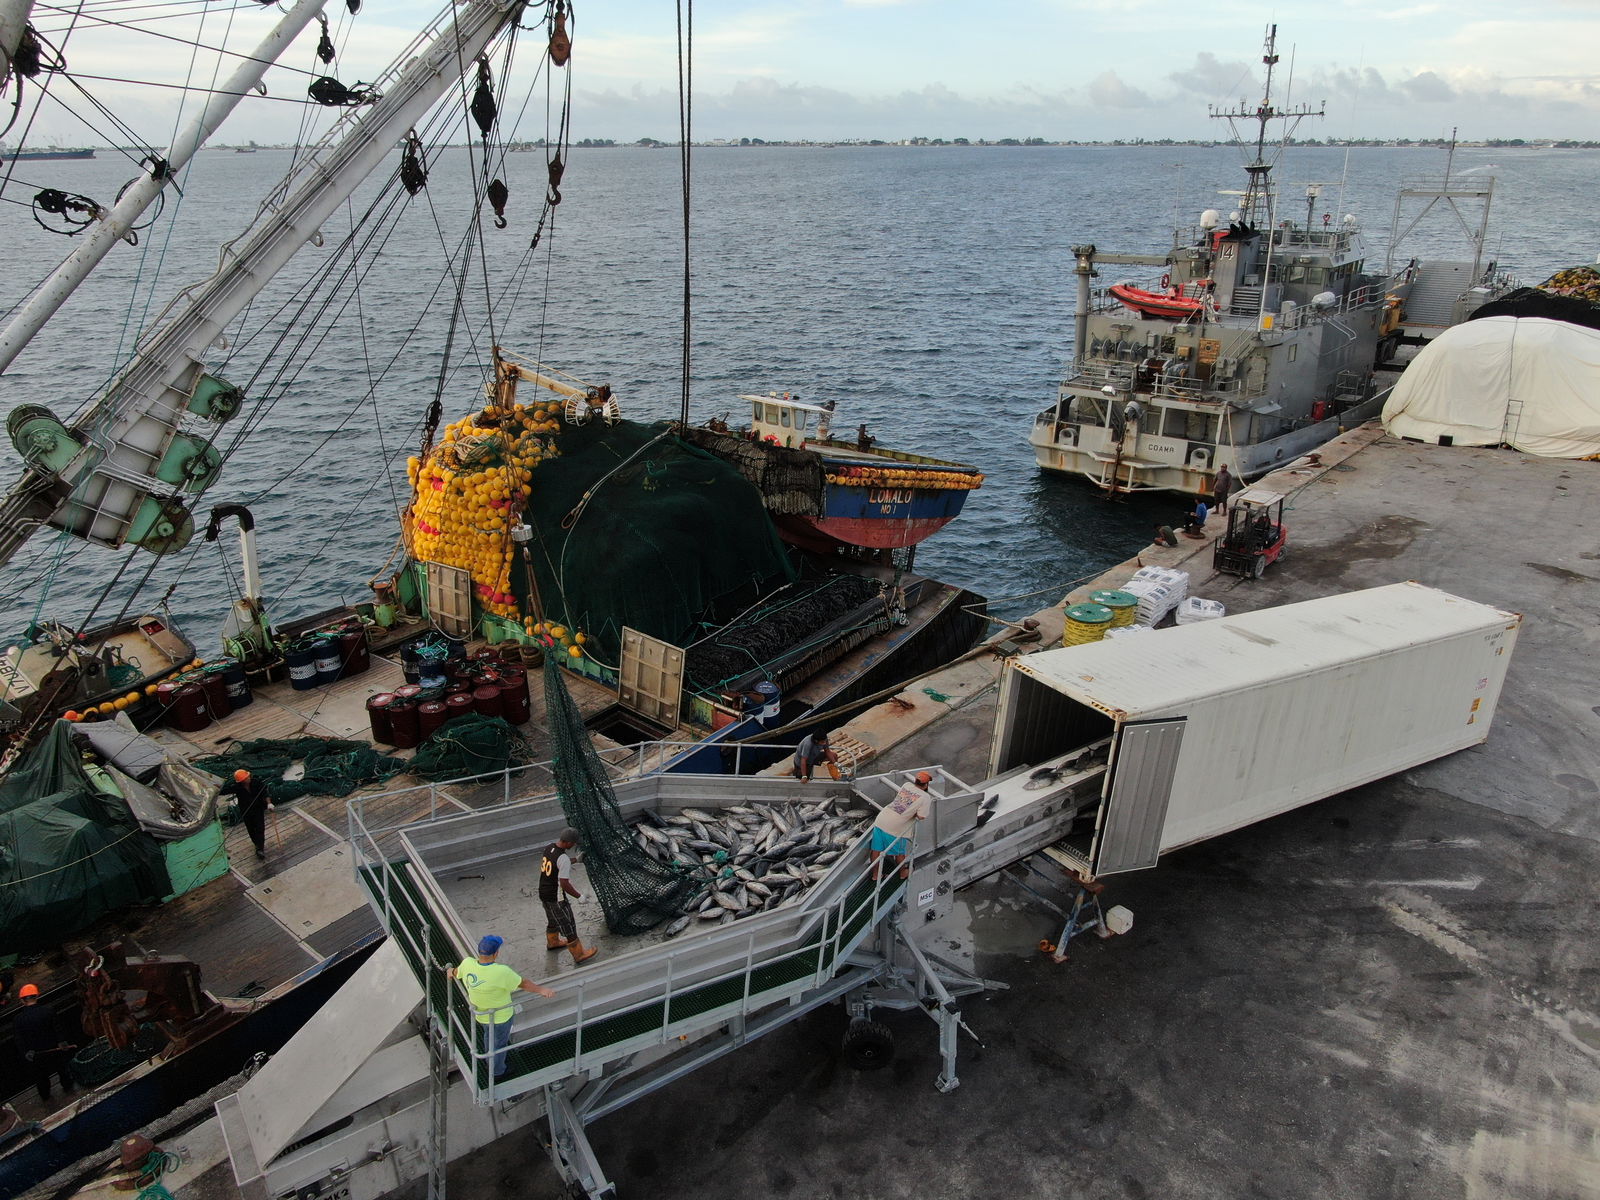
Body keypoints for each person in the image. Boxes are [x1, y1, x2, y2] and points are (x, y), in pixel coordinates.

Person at [446, 935, 555, 1081]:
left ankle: (488, 1059)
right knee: (499, 1043)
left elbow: (456, 973)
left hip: (481, 1015)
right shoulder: (501, 972)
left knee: (488, 1035)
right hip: (501, 1017)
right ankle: (497, 1071)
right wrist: (542, 990)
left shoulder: (467, 964)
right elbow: (523, 984)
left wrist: (450, 971)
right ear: (496, 953)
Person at [539, 828, 598, 963]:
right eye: (573, 843)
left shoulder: (549, 848)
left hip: (543, 893)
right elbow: (564, 883)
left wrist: (576, 860)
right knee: (568, 923)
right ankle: (579, 954)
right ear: (568, 842)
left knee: (553, 919)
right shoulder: (563, 858)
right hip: (556, 898)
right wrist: (579, 896)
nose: (574, 845)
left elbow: (557, 863)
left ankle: (552, 942)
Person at [13, 984, 76, 1103]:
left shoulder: (18, 1019)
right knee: (62, 1071)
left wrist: (26, 1053)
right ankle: (68, 1087)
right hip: (54, 1050)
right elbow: (58, 1029)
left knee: (41, 1078)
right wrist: (62, 1043)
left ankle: (45, 1096)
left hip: (37, 1055)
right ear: (36, 996)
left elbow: (19, 1040)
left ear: (22, 1000)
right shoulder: (47, 1011)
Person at [871, 770, 934, 880]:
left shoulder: (907, 785)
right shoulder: (925, 797)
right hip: (895, 827)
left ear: (915, 781)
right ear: (926, 784)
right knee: (899, 853)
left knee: (876, 850)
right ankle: (903, 872)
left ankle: (875, 875)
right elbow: (921, 816)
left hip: (881, 819)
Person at [221, 768, 272, 861]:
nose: (248, 778)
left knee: (260, 828)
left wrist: (269, 803)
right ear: (241, 781)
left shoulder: (256, 783)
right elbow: (224, 791)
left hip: (258, 809)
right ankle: (257, 844)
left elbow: (265, 793)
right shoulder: (237, 787)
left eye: (248, 777)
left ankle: (260, 848)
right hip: (246, 811)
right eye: (246, 778)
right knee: (251, 829)